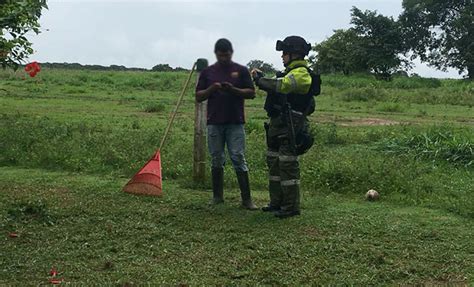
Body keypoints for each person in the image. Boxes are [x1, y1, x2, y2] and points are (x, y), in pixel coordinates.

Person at [252, 36, 317, 219]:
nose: (282, 57)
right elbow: (276, 83)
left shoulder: (302, 74)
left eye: (284, 53)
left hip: (291, 127)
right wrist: (261, 79)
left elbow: (283, 86)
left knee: (287, 167)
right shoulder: (288, 73)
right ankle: (276, 203)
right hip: (277, 125)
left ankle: (290, 207)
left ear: (294, 54)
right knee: (274, 165)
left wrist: (261, 80)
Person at [195, 38, 258, 210]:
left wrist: (233, 90)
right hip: (214, 121)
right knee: (216, 157)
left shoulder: (241, 70)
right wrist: (212, 89)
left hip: (235, 122)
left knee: (238, 156)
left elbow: (252, 93)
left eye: (227, 55)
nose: (224, 58)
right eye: (221, 55)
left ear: (231, 53)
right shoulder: (208, 72)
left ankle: (247, 200)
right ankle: (217, 197)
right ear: (216, 54)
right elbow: (199, 96)